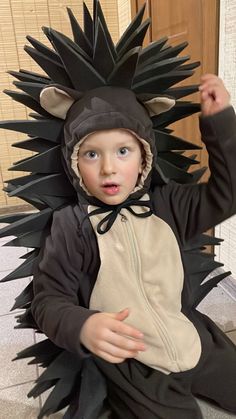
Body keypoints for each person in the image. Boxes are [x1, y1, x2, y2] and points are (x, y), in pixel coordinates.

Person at [31, 73, 236, 419]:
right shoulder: (72, 226)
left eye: (123, 151)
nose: (109, 168)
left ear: (144, 157)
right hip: (133, 362)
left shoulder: (169, 205)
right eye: (92, 154)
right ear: (73, 161)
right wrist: (82, 325)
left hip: (190, 334)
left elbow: (227, 195)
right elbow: (48, 299)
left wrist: (221, 123)